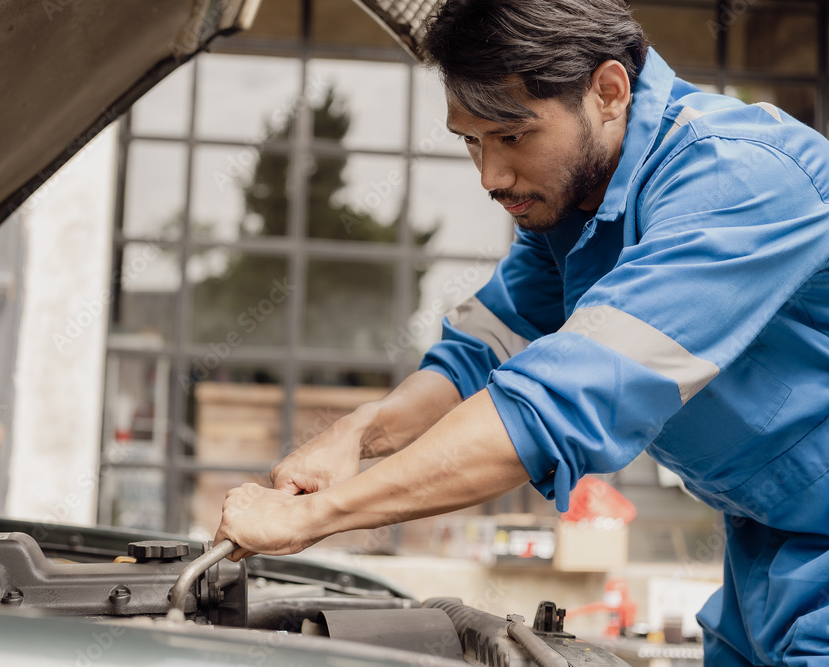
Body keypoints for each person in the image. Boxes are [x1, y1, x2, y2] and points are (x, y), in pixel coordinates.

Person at [214, 0, 829, 663]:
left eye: (511, 136)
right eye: (471, 140)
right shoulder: (575, 205)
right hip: (767, 547)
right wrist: (359, 431)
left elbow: (552, 406)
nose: (491, 176)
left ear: (609, 91)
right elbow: (483, 352)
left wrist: (313, 518)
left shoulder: (736, 180)